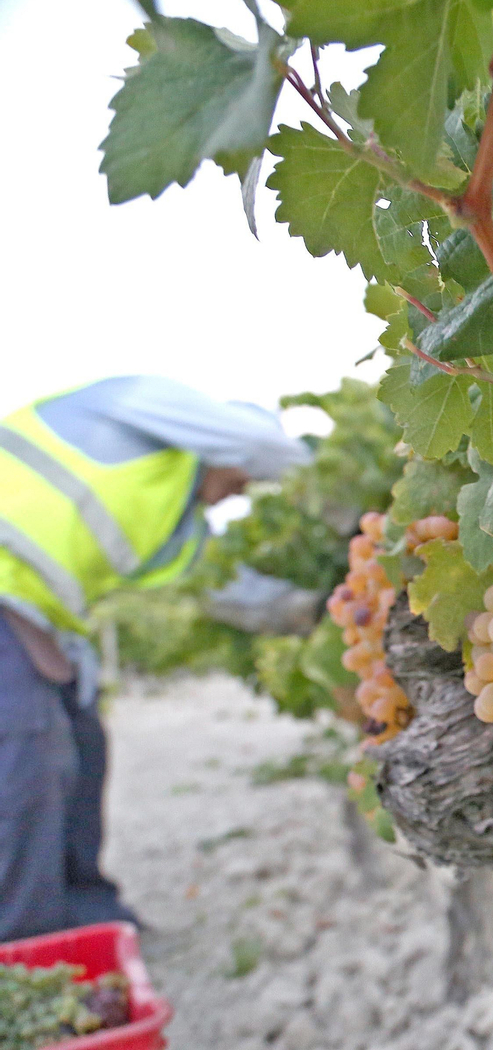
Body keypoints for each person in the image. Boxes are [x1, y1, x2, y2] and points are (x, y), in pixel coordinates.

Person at [0, 376, 309, 941]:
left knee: (84, 751)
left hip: (36, 621)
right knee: (27, 767)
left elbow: (235, 594)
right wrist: (331, 483)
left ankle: (92, 925)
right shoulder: (130, 403)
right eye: (242, 479)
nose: (242, 492)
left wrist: (323, 607)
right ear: (220, 445)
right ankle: (29, 955)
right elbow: (260, 446)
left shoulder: (177, 523)